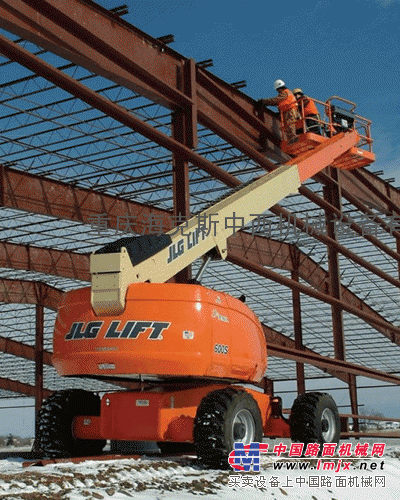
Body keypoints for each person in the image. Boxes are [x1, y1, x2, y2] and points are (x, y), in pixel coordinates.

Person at [257, 79, 299, 144]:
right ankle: (291, 139)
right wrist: (266, 103)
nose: (278, 92)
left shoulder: (284, 93)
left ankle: (293, 138)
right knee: (288, 125)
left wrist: (263, 101)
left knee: (289, 124)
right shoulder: (287, 92)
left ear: (279, 88)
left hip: (289, 110)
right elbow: (276, 102)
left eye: (277, 90)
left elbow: (275, 100)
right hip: (288, 110)